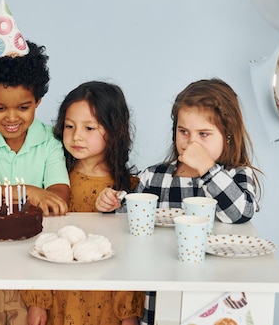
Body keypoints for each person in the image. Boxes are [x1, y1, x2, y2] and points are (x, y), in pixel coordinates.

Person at [96, 78, 261, 325]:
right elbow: (130, 227)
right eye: (183, 132)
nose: (191, 142)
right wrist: (112, 205)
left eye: (204, 134)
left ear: (227, 136)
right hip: (158, 294)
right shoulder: (156, 176)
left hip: (211, 297)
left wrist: (207, 167)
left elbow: (241, 213)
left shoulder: (236, 176)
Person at [0, 0, 70, 325]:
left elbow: (60, 196)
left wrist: (10, 192)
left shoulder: (49, 140)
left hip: (33, 270)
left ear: (38, 101)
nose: (11, 118)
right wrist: (32, 193)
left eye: (23, 107)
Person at [21, 81, 144, 325]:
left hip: (106, 304)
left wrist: (128, 313)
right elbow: (41, 243)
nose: (76, 136)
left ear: (115, 131)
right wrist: (38, 301)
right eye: (69, 126)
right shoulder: (54, 185)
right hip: (58, 299)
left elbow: (130, 258)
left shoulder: (130, 190)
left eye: (89, 128)